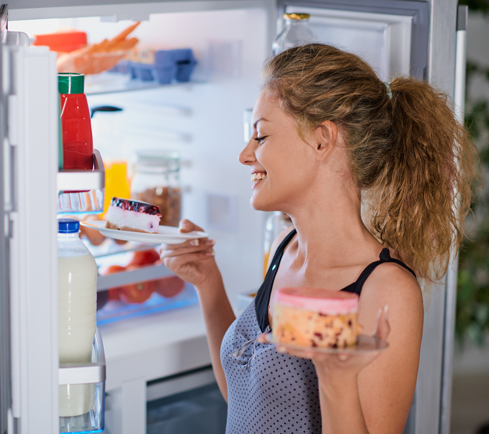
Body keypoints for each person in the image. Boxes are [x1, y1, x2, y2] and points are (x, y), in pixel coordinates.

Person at [159, 44, 480, 434]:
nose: (245, 155)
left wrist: (335, 377)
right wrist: (207, 282)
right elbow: (250, 398)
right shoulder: (285, 249)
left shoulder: (386, 290)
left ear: (322, 140)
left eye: (260, 136)